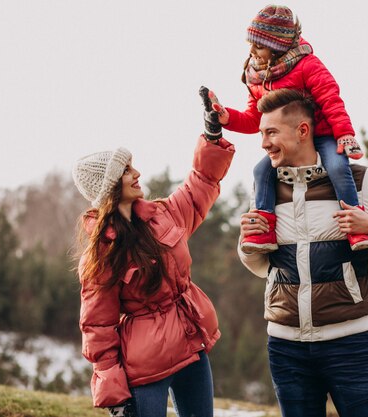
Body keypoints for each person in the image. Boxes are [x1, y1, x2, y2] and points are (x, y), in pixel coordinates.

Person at [237, 88, 368, 417]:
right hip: (285, 347)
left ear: (303, 131)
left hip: (348, 344)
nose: (263, 143)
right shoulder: (264, 188)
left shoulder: (359, 181)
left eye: (271, 132)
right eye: (262, 133)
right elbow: (264, 267)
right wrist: (246, 243)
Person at [72, 89, 233, 417]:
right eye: (127, 170)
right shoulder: (101, 255)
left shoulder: (164, 214)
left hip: (191, 347)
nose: (137, 173)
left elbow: (201, 181)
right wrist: (114, 394)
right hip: (145, 368)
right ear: (111, 185)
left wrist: (211, 135)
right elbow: (98, 328)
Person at [205, 4, 368, 254]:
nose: (252, 50)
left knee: (338, 167)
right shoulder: (256, 75)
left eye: (258, 45)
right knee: (261, 171)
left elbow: (331, 99)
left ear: (278, 46)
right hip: (290, 142)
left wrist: (344, 134)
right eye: (250, 43)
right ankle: (264, 227)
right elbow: (254, 119)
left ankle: (354, 223)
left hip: (323, 134)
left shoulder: (307, 65)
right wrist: (226, 117)